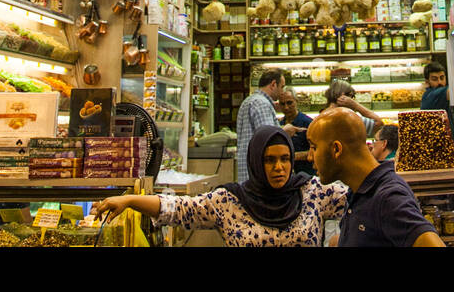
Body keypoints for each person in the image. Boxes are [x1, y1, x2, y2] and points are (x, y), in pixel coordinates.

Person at [101, 125, 347, 246]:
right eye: (269, 160)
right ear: (255, 162)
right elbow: (177, 208)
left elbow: (364, 195)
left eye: (285, 159)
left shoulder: (313, 193)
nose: (279, 167)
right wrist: (129, 200)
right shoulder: (230, 201)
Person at [308, 107, 443, 247]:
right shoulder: (359, 191)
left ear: (336, 149)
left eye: (314, 147)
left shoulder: (388, 198)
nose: (309, 157)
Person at [235, 68, 286, 182]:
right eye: (282, 87)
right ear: (273, 84)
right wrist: (285, 132)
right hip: (259, 176)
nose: (282, 92)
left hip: (247, 175)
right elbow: (268, 140)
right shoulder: (262, 104)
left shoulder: (249, 101)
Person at [279, 87, 315, 175]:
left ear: (296, 101)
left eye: (289, 103)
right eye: (282, 104)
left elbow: (316, 151)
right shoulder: (279, 124)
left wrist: (293, 156)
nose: (286, 107)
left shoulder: (308, 123)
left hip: (306, 174)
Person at [419, 60, 454, 139]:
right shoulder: (430, 95)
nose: (440, 82)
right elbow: (452, 91)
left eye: (442, 78)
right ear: (427, 82)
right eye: (434, 79)